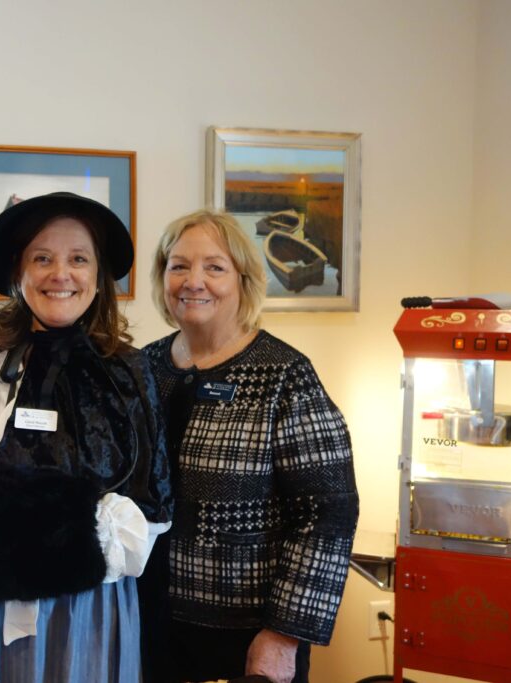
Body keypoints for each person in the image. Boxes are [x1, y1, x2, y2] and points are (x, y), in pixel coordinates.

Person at [0, 192, 174, 683]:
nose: (61, 274)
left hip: (88, 605)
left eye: (78, 259)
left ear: (98, 275)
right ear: (19, 271)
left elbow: (153, 497)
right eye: (42, 258)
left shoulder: (128, 370)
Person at [139, 209, 358, 683]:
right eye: (179, 266)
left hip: (246, 639)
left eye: (214, 267)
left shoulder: (285, 375)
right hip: (148, 624)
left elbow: (328, 515)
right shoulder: (143, 368)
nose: (193, 281)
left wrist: (284, 634)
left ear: (243, 280)